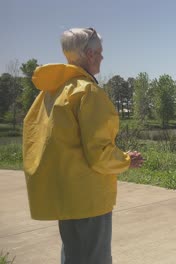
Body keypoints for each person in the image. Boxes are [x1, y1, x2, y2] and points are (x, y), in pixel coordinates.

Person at [22, 27, 144, 264]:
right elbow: (99, 153)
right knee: (94, 257)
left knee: (73, 255)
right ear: (88, 54)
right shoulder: (88, 91)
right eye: (99, 52)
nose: (102, 57)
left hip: (67, 195)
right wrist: (127, 160)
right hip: (89, 199)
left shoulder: (52, 92)